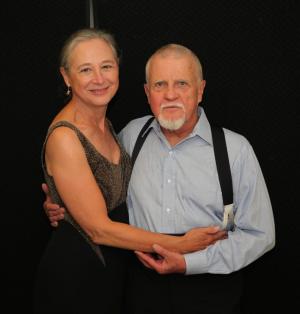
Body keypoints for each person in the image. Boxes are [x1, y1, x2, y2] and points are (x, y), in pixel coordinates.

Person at [43, 42, 275, 314]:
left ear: (200, 90)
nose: (170, 95)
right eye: (159, 85)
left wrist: (191, 263)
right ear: (146, 92)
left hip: (211, 290)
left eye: (182, 84)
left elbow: (260, 235)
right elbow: (98, 187)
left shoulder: (236, 150)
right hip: (139, 288)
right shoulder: (129, 137)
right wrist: (61, 204)